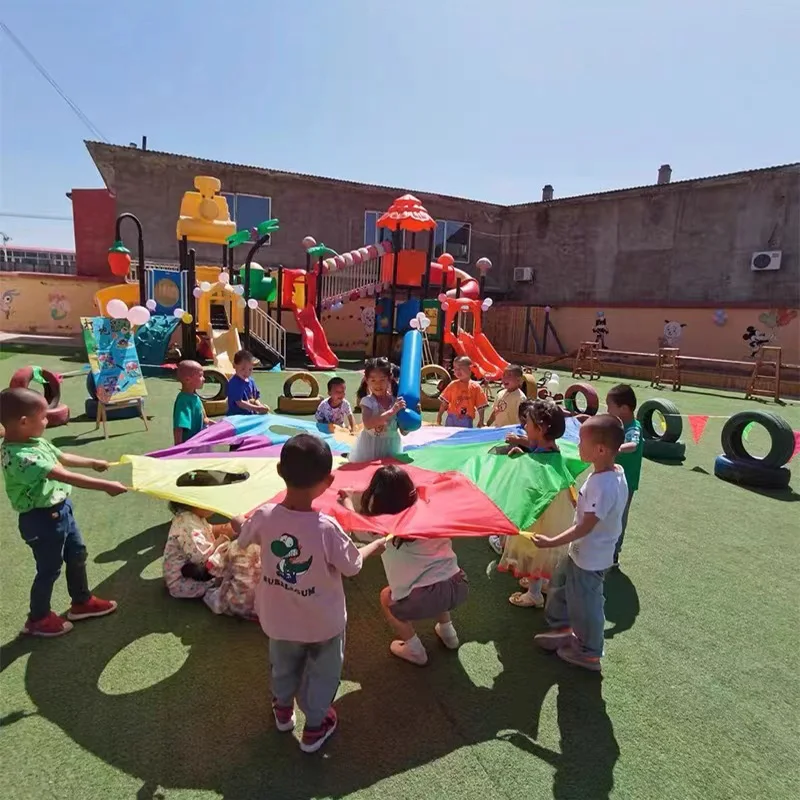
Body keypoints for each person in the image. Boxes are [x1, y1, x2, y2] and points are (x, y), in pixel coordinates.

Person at [233, 434, 385, 753]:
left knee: (283, 664)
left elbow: (244, 534)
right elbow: (353, 565)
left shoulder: (263, 517)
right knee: (323, 673)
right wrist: (374, 544)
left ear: (279, 470)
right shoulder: (326, 528)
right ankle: (315, 726)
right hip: (323, 624)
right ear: (328, 481)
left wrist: (237, 521)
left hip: (279, 620)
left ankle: (283, 711)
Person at [0, 388, 126, 637]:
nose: (47, 421)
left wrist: (92, 462)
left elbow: (62, 457)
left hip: (62, 512)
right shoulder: (20, 456)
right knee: (49, 568)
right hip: (41, 520)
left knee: (77, 554)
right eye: (43, 417)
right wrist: (106, 486)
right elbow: (63, 475)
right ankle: (38, 618)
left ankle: (81, 602)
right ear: (24, 422)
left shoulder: (35, 441)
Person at [339, 465, 469, 666]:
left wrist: (347, 501)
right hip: (457, 585)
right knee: (437, 581)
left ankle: (415, 650)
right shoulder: (430, 511)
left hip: (424, 597)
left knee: (386, 597)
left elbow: (359, 529)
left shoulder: (388, 528)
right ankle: (448, 632)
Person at [533, 414, 628, 671]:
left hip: (591, 557)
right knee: (561, 584)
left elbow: (586, 526)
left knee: (588, 603)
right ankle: (564, 628)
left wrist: (552, 541)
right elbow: (596, 511)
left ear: (599, 450)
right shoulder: (611, 472)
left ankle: (589, 651)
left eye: (581, 442)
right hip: (581, 553)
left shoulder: (604, 483)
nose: (577, 446)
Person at [497, 399, 576, 608]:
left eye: (528, 424)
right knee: (543, 553)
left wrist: (520, 462)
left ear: (540, 429)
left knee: (534, 550)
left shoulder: (542, 459)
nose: (524, 427)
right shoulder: (552, 451)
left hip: (539, 515)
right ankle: (542, 583)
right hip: (552, 514)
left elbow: (531, 483)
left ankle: (534, 594)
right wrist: (524, 456)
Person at [488, 397, 536, 555]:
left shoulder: (531, 436)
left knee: (513, 509)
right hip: (522, 478)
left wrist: (518, 441)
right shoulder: (521, 431)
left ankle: (503, 542)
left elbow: (538, 446)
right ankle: (506, 539)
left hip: (524, 481)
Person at [162, 500, 235, 599]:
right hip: (181, 582)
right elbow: (201, 558)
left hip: (192, 570)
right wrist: (222, 538)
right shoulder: (187, 525)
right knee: (227, 582)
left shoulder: (191, 517)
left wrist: (225, 528)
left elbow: (208, 530)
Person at [605, 383, 644, 567]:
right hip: (610, 479)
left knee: (619, 517)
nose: (607, 409)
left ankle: (613, 555)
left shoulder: (633, 427)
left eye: (609, 406)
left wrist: (617, 448)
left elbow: (633, 444)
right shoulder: (616, 424)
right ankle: (602, 548)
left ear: (624, 408)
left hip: (626, 483)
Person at [349, 357, 406, 463]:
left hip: (391, 446)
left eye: (382, 380)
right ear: (367, 380)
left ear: (389, 379)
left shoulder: (395, 402)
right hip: (370, 447)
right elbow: (368, 424)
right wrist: (392, 411)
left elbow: (403, 431)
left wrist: (413, 414)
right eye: (373, 380)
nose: (377, 384)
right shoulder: (367, 401)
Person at [437, 356, 488, 428]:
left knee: (464, 437)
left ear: (470, 369)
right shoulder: (453, 385)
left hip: (466, 419)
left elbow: (481, 406)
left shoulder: (476, 387)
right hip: (451, 418)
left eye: (460, 369)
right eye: (455, 369)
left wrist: (481, 420)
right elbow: (444, 403)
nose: (457, 371)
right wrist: (439, 416)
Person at [173, 360, 213, 445]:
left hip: (200, 441)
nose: (204, 379)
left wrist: (221, 426)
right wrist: (178, 447)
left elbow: (205, 419)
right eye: (200, 376)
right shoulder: (183, 401)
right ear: (188, 379)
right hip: (190, 445)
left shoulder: (195, 397)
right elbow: (179, 427)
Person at [226, 350, 271, 415]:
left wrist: (260, 406)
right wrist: (257, 408)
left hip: (250, 416)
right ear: (234, 365)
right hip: (237, 417)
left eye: (250, 369)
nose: (246, 372)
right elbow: (239, 403)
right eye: (243, 369)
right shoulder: (234, 383)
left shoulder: (251, 381)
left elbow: (254, 399)